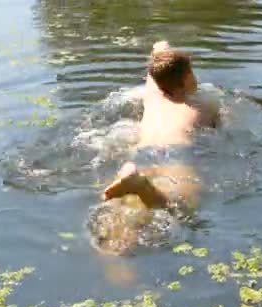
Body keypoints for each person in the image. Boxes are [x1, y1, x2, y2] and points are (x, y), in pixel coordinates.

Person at [91, 41, 219, 256]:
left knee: (118, 220)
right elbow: (219, 129)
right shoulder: (204, 106)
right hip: (177, 152)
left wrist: (161, 49)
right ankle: (141, 186)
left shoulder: (152, 94)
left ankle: (115, 261)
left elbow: (158, 52)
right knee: (179, 212)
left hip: (142, 151)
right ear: (188, 79)